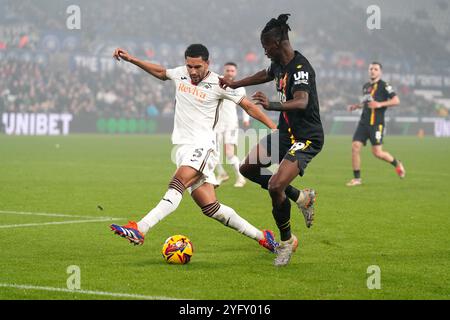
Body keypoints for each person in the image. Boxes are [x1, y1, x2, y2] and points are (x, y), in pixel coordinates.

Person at [110, 44, 279, 254]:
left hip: (203, 146)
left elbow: (248, 106)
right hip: (182, 148)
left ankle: (140, 228)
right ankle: (263, 237)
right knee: (211, 207)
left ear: (208, 63)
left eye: (197, 66)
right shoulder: (180, 74)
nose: (192, 71)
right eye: (189, 66)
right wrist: (132, 59)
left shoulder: (219, 84)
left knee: (177, 183)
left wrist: (273, 127)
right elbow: (161, 72)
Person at [220, 14, 324, 266]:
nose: (264, 51)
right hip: (284, 134)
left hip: (306, 138)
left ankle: (286, 242)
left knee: (275, 186)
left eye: (266, 46)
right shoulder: (278, 64)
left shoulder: (300, 68)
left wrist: (272, 104)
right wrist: (234, 84)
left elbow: (302, 101)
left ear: (278, 43)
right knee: (248, 168)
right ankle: (302, 197)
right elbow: (264, 74)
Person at [347, 62, 405, 186]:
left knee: (377, 153)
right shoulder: (366, 86)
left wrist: (380, 104)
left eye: (375, 69)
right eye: (371, 69)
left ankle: (397, 163)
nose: (372, 71)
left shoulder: (385, 86)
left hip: (376, 124)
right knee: (355, 147)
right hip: (363, 122)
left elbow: (396, 100)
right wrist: (356, 106)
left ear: (380, 72)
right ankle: (357, 179)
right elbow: (366, 102)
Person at [215, 62, 250, 188]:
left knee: (229, 152)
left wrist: (246, 118)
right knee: (213, 151)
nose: (229, 72)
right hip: (216, 123)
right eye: (227, 70)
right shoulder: (217, 83)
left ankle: (240, 177)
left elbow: (245, 104)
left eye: (232, 71)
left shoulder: (239, 87)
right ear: (223, 71)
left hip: (231, 124)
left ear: (236, 73)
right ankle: (221, 173)